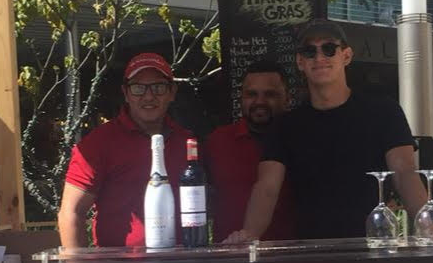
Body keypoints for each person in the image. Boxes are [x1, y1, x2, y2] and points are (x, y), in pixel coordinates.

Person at [227, 21, 429, 242]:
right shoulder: (286, 126)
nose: (319, 57)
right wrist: (249, 234)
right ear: (300, 61)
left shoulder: (384, 111)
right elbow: (267, 187)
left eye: (329, 49)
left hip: (373, 245)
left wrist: (427, 224)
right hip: (311, 250)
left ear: (346, 55)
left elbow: (404, 172)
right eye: (310, 51)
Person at [58, 52, 189, 248]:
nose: (149, 96)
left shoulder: (186, 142)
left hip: (182, 262)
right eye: (138, 88)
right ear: (126, 93)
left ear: (172, 92)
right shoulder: (98, 143)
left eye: (158, 87)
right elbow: (71, 212)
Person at [204, 59, 296, 242]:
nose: (259, 101)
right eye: (251, 94)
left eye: (270, 94)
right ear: (241, 98)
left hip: (292, 254)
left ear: (287, 99)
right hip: (229, 253)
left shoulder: (301, 140)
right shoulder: (217, 141)